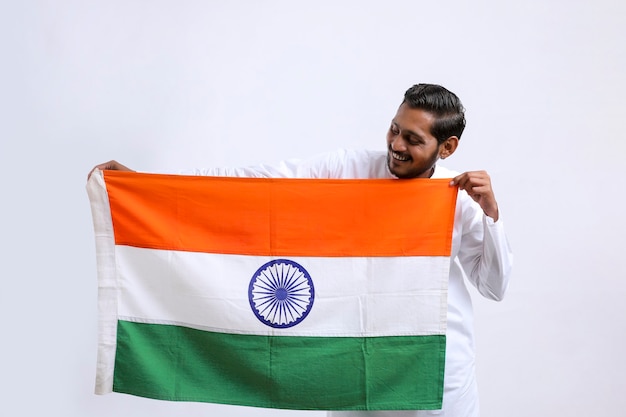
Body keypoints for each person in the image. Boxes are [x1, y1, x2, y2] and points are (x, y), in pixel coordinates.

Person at [89, 83, 513, 417]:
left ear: (448, 146)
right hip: (356, 362)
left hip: (434, 373)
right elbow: (258, 184)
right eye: (394, 129)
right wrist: (150, 186)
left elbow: (494, 286)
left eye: (413, 139)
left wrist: (491, 215)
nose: (396, 145)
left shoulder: (457, 196)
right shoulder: (347, 169)